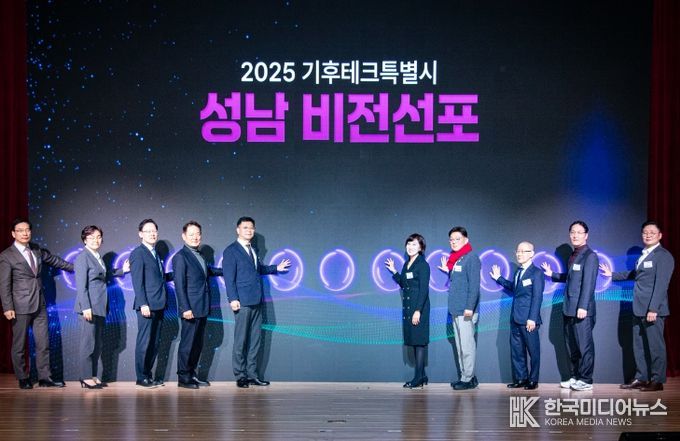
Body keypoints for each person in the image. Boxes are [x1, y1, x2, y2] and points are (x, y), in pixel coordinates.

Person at [600, 221, 675, 392]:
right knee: (639, 345)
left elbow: (661, 284)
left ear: (660, 235)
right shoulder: (644, 255)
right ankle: (641, 377)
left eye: (652, 232)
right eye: (645, 232)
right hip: (638, 308)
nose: (648, 235)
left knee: (655, 346)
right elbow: (636, 275)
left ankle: (657, 380)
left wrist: (653, 308)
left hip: (652, 310)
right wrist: (611, 275)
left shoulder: (663, 256)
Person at [0, 218, 74, 389]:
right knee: (19, 344)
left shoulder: (36, 249)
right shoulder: (6, 256)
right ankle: (22, 377)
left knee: (43, 343)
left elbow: (55, 261)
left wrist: (78, 267)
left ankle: (44, 378)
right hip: (19, 306)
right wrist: (7, 307)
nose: (25, 233)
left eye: (27, 230)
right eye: (20, 230)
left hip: (40, 303)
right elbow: (4, 284)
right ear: (13, 234)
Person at [222, 216, 290, 388]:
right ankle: (240, 376)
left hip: (256, 300)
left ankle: (252, 375)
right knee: (241, 341)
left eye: (251, 228)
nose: (249, 230)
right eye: (245, 227)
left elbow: (257, 270)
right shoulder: (231, 251)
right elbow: (229, 278)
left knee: (255, 340)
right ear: (238, 230)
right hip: (242, 302)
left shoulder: (253, 249)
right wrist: (233, 298)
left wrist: (276, 268)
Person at [541, 220, 598, 391]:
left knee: (584, 346)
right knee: (571, 345)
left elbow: (588, 284)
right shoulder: (574, 255)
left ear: (586, 235)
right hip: (568, 308)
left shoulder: (590, 256)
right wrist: (553, 274)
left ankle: (586, 380)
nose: (575, 235)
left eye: (579, 232)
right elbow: (572, 278)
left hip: (581, 309)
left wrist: (583, 307)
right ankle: (575, 376)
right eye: (572, 232)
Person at [74, 225, 129, 389]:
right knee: (88, 344)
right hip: (89, 307)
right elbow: (81, 286)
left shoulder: (97, 256)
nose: (95, 240)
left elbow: (103, 275)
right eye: (91, 237)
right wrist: (86, 307)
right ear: (85, 240)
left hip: (99, 306)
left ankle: (92, 375)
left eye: (98, 237)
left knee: (96, 344)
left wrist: (122, 270)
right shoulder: (83, 257)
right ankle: (85, 377)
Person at [172, 221, 223, 389]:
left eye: (198, 234)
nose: (195, 237)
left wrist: (227, 270)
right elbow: (179, 285)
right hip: (190, 309)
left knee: (197, 344)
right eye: (191, 234)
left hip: (202, 306)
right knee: (187, 344)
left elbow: (207, 272)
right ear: (184, 236)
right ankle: (183, 378)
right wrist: (185, 308)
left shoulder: (199, 255)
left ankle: (191, 374)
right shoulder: (181, 257)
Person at [490, 241, 544, 390]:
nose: (519, 254)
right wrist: (499, 278)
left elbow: (537, 297)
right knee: (517, 351)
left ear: (531, 254)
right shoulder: (518, 272)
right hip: (515, 318)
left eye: (523, 251)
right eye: (518, 251)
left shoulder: (536, 273)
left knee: (533, 351)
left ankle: (533, 380)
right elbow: (514, 288)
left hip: (528, 320)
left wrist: (532, 318)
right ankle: (521, 378)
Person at [385, 233, 431, 389]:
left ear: (421, 248)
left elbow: (424, 290)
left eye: (414, 244)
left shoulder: (423, 265)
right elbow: (404, 284)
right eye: (409, 244)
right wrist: (394, 271)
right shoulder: (406, 264)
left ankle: (418, 378)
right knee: (414, 342)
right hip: (408, 308)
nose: (410, 247)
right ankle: (422, 376)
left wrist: (418, 311)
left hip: (419, 308)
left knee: (419, 343)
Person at [437, 226, 480, 390]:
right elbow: (460, 282)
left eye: (457, 239)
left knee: (467, 346)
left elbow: (474, 286)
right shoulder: (456, 259)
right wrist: (447, 271)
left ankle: (468, 378)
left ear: (466, 240)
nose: (454, 242)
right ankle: (465, 376)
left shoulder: (471, 258)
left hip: (465, 310)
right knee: (460, 346)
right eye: (451, 240)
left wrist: (470, 307)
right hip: (456, 309)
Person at [130, 218, 170, 388]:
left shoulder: (155, 254)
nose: (152, 234)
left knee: (154, 343)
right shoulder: (138, 253)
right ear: (141, 234)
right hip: (147, 305)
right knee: (145, 342)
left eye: (154, 231)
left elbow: (158, 278)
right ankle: (141, 377)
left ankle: (148, 375)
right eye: (148, 231)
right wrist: (143, 303)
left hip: (159, 304)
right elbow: (137, 281)